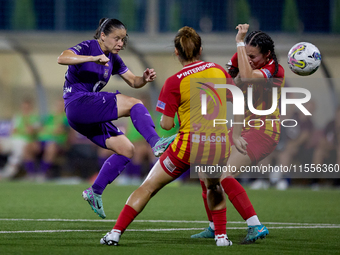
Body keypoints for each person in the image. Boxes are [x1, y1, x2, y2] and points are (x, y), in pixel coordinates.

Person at [100, 26, 242, 247]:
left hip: (187, 145)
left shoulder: (174, 81)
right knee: (214, 186)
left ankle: (114, 233)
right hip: (218, 143)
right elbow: (232, 98)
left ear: (177, 53)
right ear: (201, 49)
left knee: (148, 187)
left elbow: (166, 125)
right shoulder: (218, 70)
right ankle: (222, 238)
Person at [57, 18, 175, 219]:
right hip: (78, 103)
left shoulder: (114, 58)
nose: (121, 43)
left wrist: (144, 79)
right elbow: (62, 58)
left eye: (123, 39)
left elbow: (133, 81)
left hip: (84, 113)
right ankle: (156, 143)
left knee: (127, 149)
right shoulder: (89, 46)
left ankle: (95, 192)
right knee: (134, 104)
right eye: (117, 38)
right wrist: (92, 58)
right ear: (103, 36)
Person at [192, 24, 285, 244]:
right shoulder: (241, 56)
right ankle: (214, 226)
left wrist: (240, 43)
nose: (249, 59)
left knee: (224, 176)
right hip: (240, 127)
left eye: (254, 57)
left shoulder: (275, 70)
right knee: (205, 173)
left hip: (263, 130)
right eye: (247, 55)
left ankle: (255, 225)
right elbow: (228, 85)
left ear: (267, 55)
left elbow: (246, 77)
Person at [22, 99, 69, 182]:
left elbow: (61, 130)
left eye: (62, 105)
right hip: (42, 140)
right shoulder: (49, 117)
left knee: (51, 147)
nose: (59, 107)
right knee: (27, 147)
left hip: (56, 142)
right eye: (58, 105)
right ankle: (31, 174)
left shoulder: (66, 118)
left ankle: (42, 174)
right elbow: (40, 128)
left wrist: (49, 130)